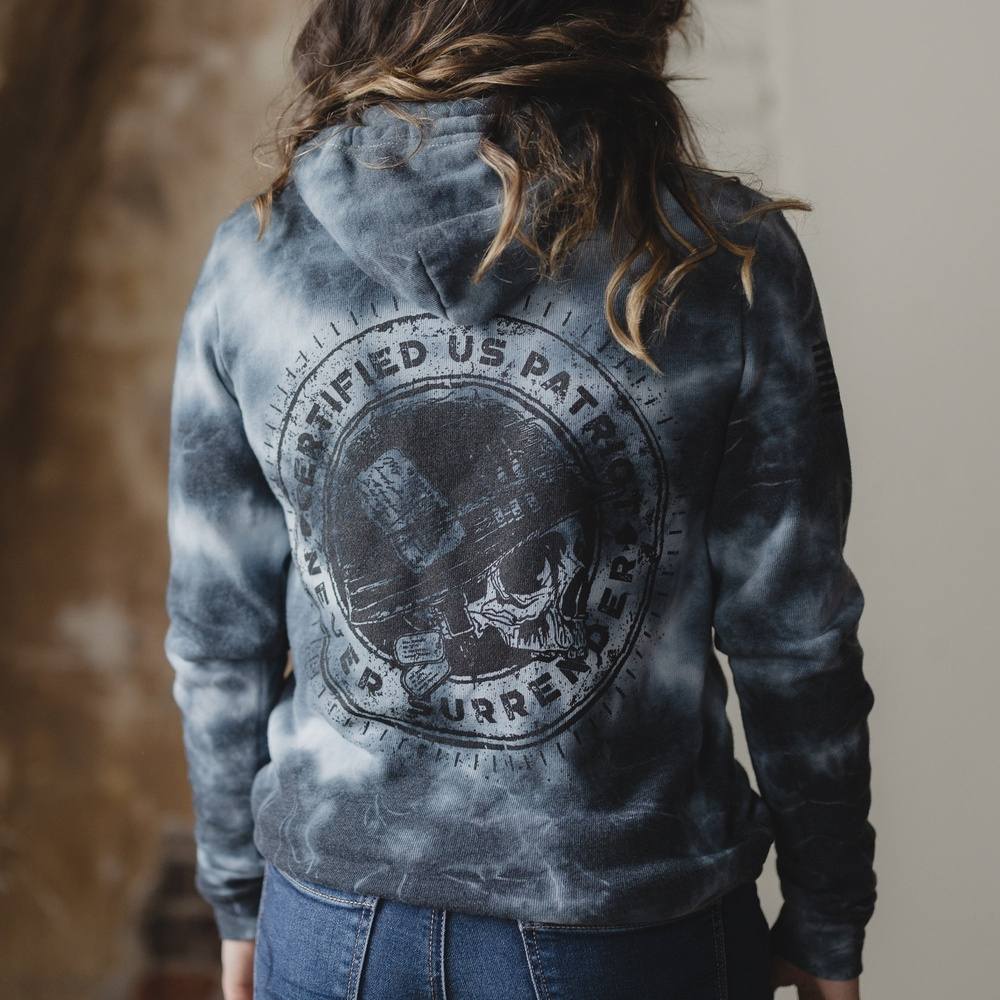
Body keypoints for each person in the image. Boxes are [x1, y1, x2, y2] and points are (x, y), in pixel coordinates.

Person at [163, 2, 876, 998]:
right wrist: (827, 909)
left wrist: (239, 894)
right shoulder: (717, 258)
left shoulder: (254, 261)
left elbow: (218, 641)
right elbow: (794, 635)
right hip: (622, 917)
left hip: (332, 917)